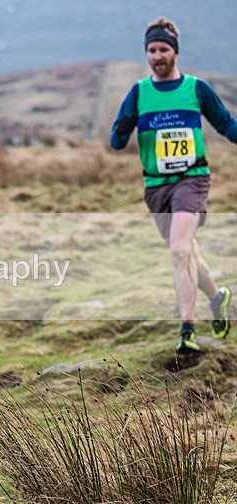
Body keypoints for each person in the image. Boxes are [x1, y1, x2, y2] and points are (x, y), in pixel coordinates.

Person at [111, 16, 235, 354]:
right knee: (187, 253)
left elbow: (225, 125)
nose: (156, 56)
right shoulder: (139, 93)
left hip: (191, 180)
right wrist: (123, 127)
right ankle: (217, 296)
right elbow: (117, 141)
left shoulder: (195, 89)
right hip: (156, 186)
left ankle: (187, 330)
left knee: (179, 250)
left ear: (175, 52)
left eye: (163, 49)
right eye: (151, 50)